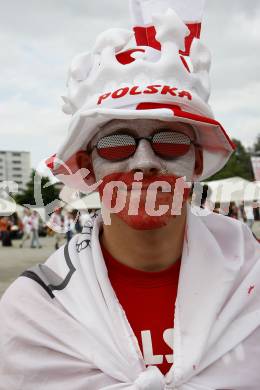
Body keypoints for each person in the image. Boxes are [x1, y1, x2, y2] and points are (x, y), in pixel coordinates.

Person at [0, 1, 260, 389]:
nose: (144, 163)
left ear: (199, 163)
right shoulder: (34, 312)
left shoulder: (250, 282)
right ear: (87, 165)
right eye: (117, 144)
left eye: (170, 142)